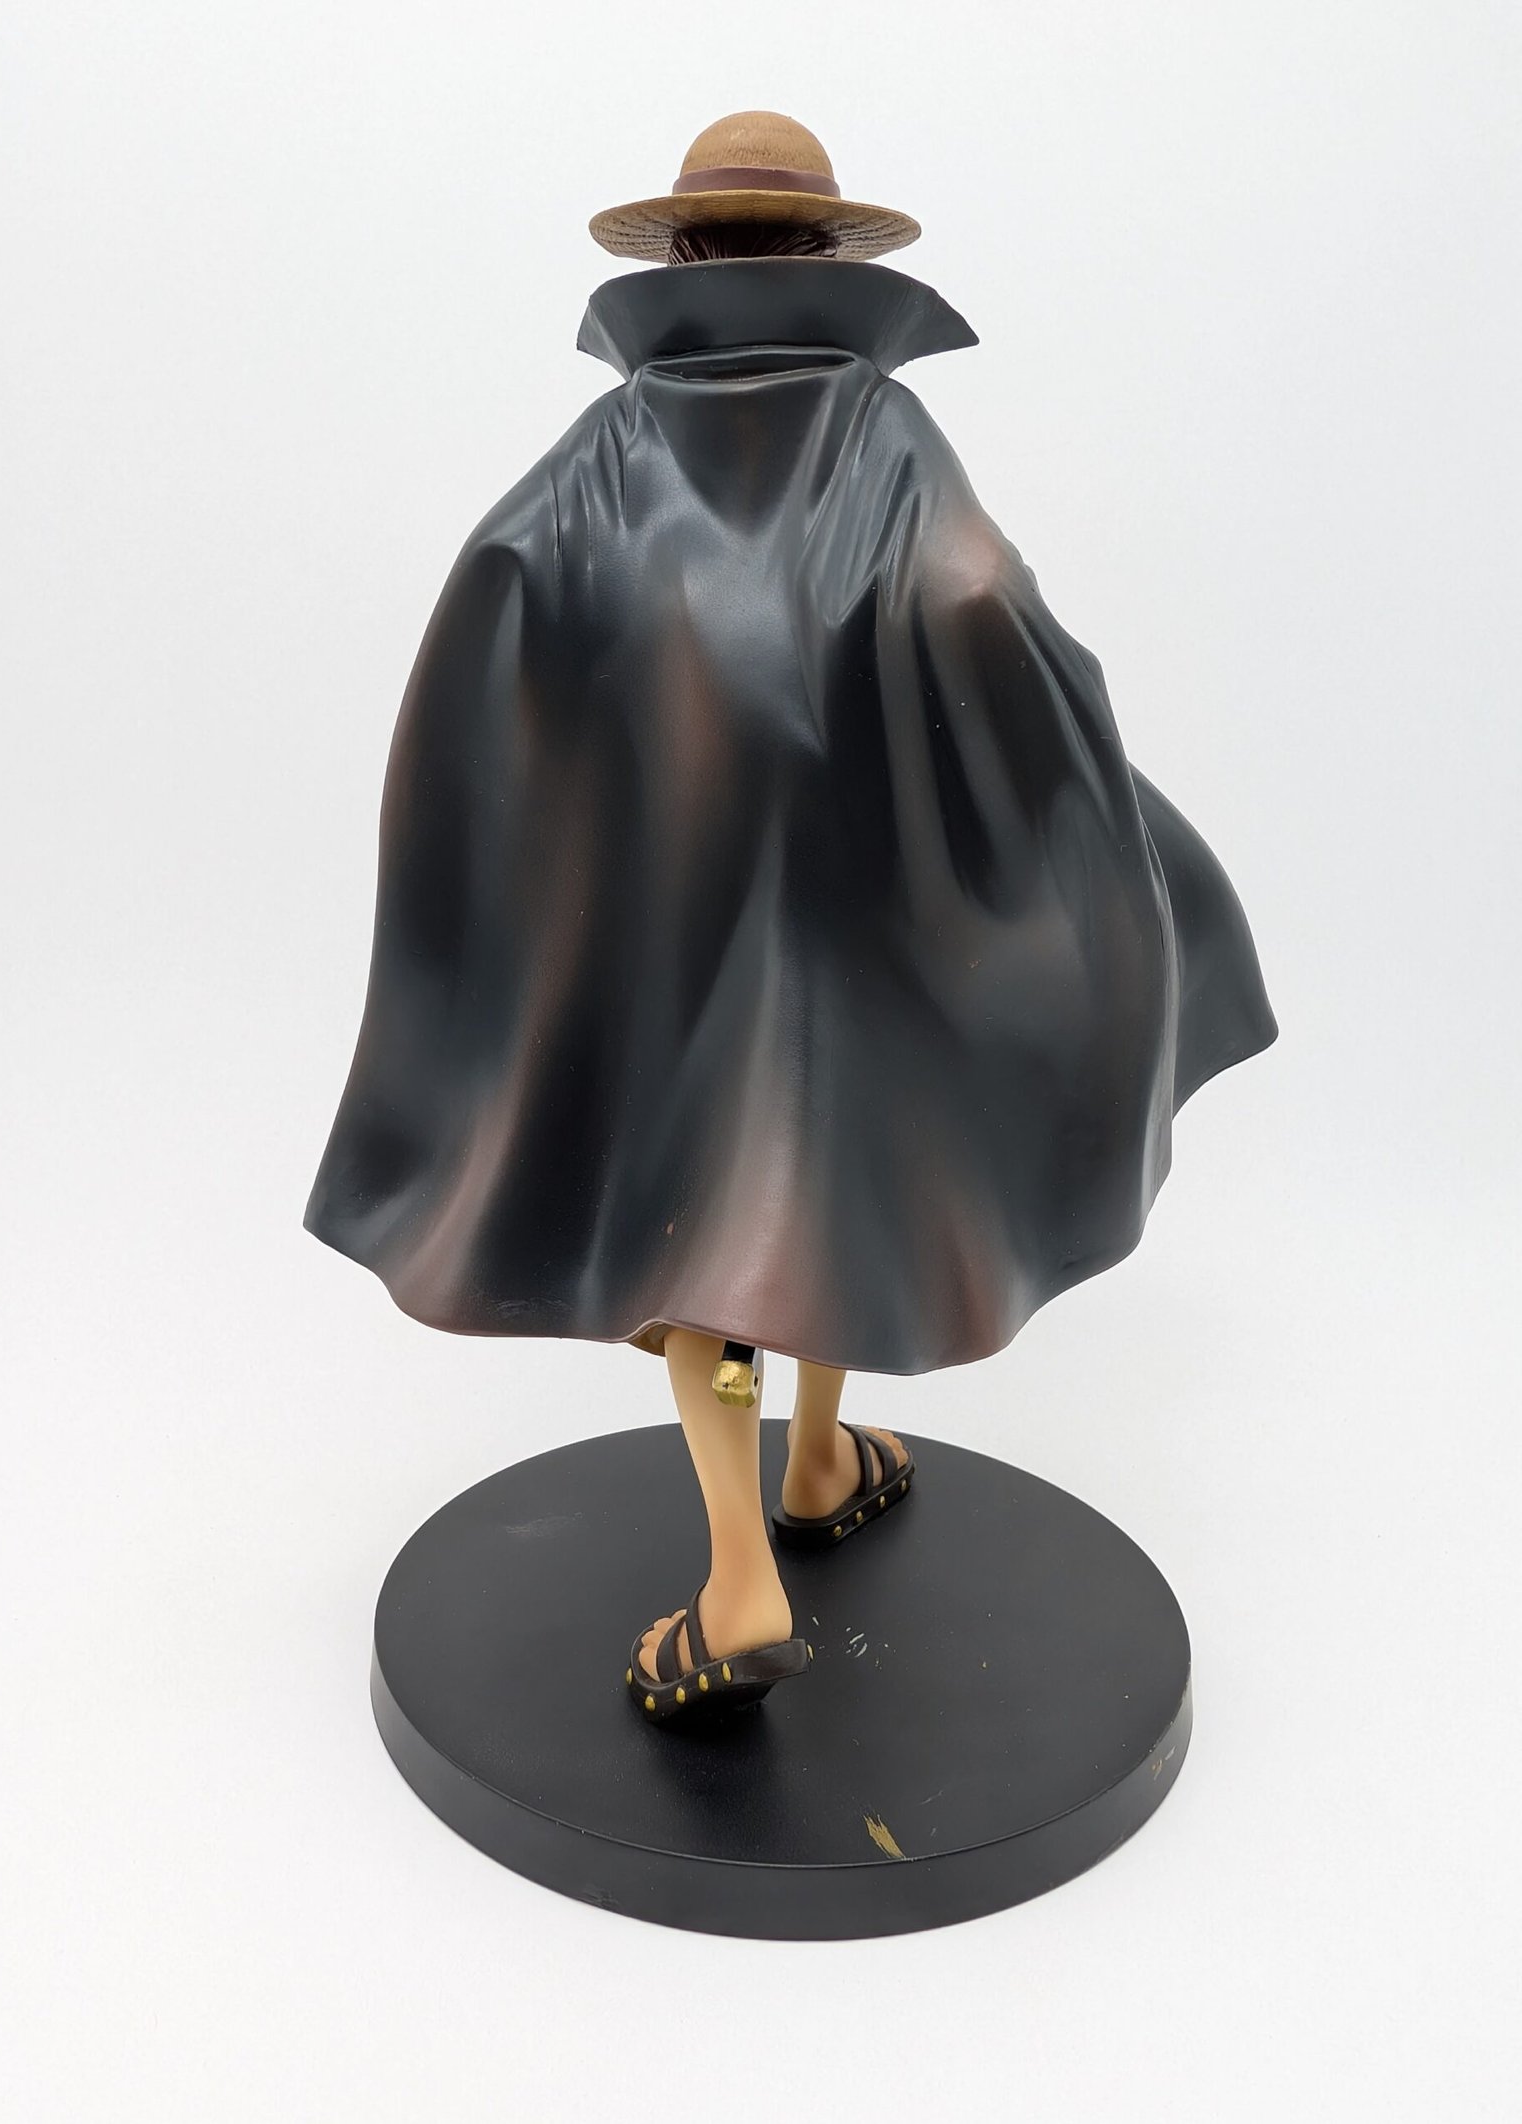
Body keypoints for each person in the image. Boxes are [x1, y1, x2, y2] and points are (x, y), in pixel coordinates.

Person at [304, 111, 1277, 1725]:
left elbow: (501, 588)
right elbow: (977, 592)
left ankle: (774, 1524)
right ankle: (791, 1501)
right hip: (851, 891)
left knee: (700, 1205)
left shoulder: (610, 449)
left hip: (671, 907)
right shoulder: (878, 432)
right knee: (831, 1166)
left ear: (681, 258)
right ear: (828, 257)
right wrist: (1035, 756)